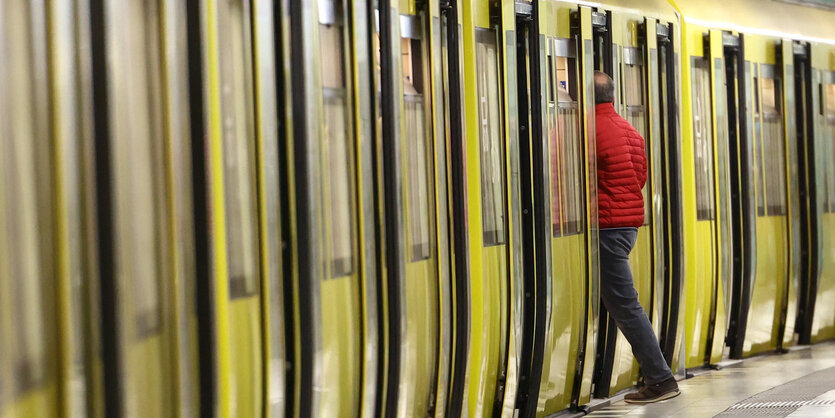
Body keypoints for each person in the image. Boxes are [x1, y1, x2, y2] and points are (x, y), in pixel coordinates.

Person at [593, 71, 680, 404]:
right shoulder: (629, 130)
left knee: (625, 305)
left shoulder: (587, 131)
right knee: (621, 303)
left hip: (605, 226)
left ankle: (660, 379)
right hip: (626, 226)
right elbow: (639, 177)